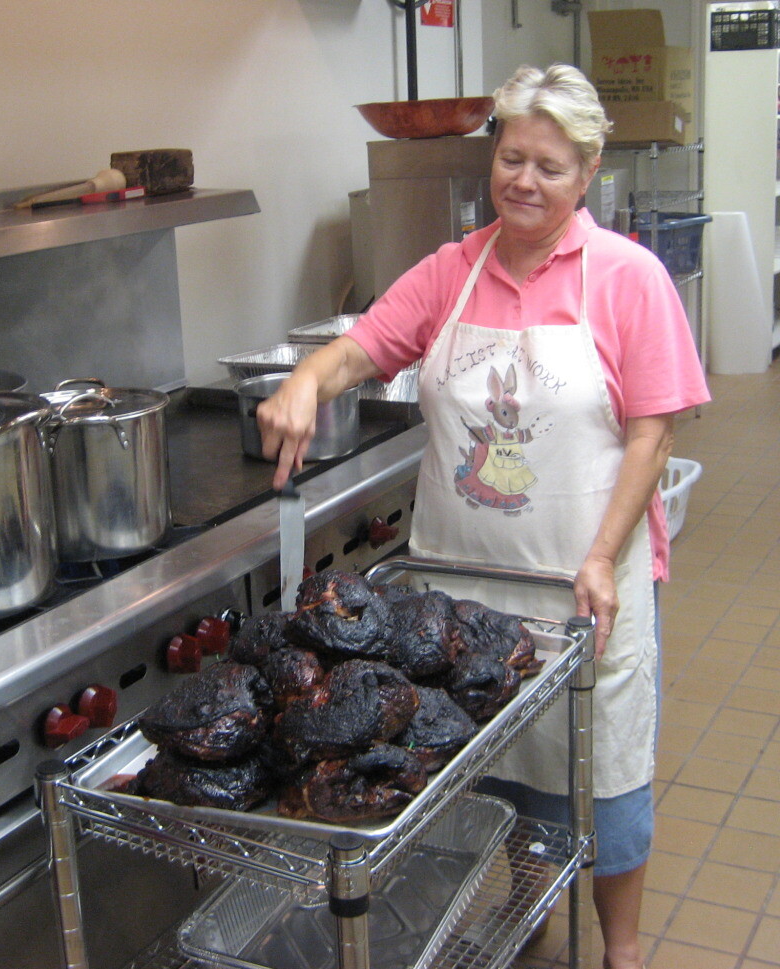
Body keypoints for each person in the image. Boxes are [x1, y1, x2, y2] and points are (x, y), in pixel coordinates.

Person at [257, 64, 711, 969]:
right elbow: (363, 348)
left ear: (586, 176)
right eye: (511, 157)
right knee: (491, 768)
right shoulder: (451, 272)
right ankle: (526, 908)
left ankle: (621, 947)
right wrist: (307, 381)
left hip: (584, 587)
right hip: (459, 595)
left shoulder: (628, 278)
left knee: (604, 775)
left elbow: (650, 439)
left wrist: (602, 555)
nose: (524, 181)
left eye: (549, 165)